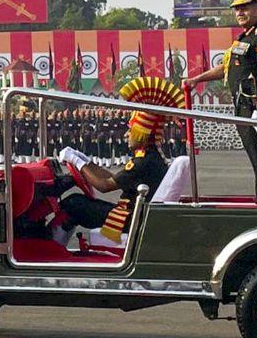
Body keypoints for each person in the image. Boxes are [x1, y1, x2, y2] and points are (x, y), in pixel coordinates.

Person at [184, 0, 257, 203]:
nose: (239, 12)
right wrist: (197, 79)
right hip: (243, 109)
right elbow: (226, 68)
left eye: (245, 7)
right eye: (237, 8)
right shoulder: (243, 39)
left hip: (256, 110)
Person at [57, 80, 172, 243]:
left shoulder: (143, 161)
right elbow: (113, 178)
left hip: (128, 218)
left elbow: (104, 186)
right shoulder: (149, 157)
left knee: (73, 204)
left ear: (141, 134)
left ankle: (52, 250)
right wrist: (85, 161)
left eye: (131, 130)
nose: (126, 134)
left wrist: (75, 161)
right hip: (132, 214)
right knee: (76, 202)